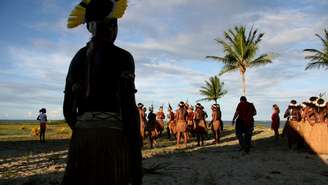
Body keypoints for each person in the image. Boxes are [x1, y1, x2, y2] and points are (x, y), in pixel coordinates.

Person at [62, 1, 142, 185]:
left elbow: (68, 111)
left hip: (81, 140)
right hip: (112, 141)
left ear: (90, 27)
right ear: (113, 27)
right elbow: (129, 110)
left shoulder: (77, 58)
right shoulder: (124, 57)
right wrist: (135, 160)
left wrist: (85, 129)